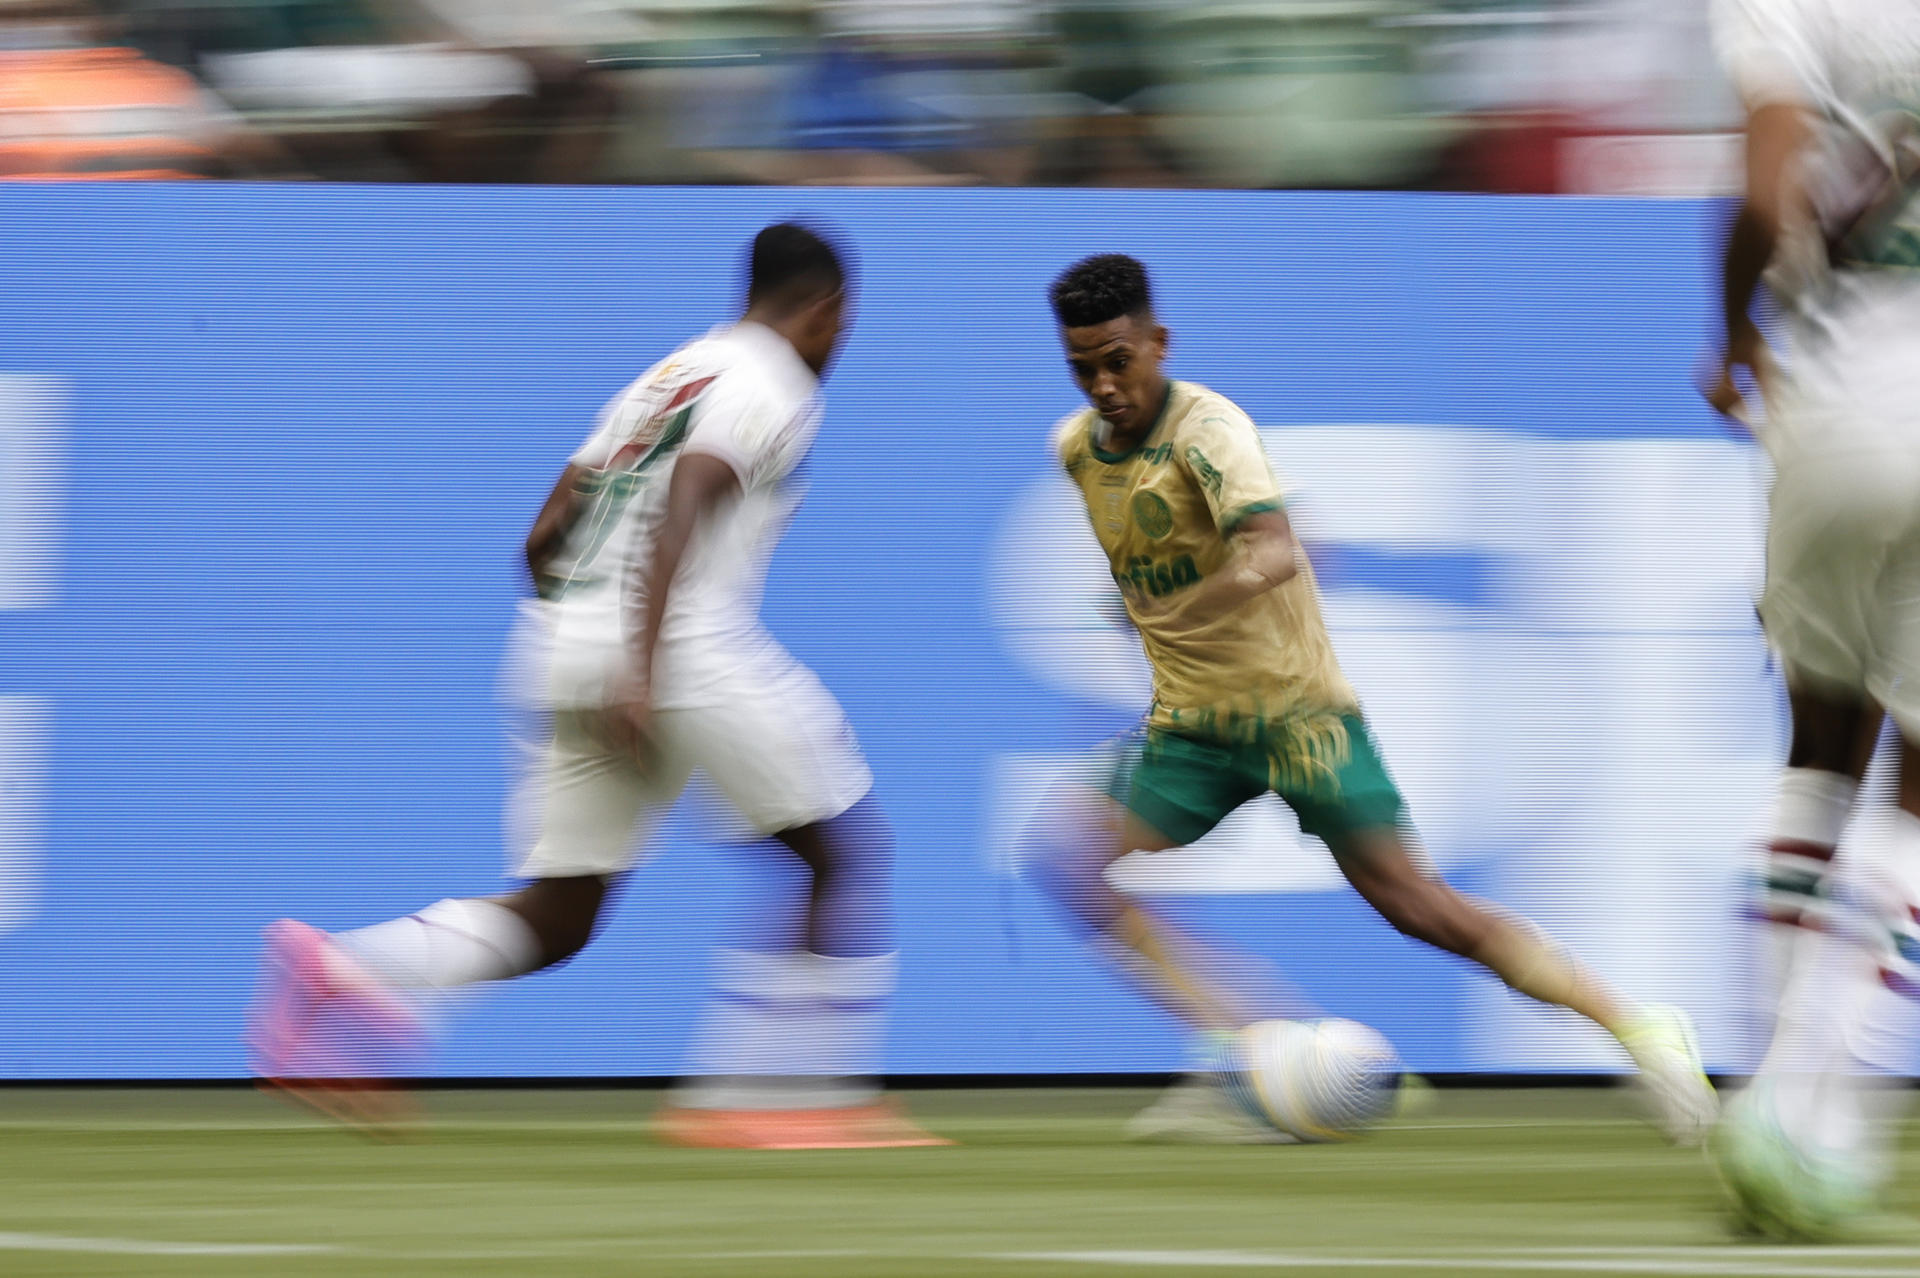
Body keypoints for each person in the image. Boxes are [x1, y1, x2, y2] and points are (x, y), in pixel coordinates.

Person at [247, 222, 943, 1150]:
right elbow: (694, 493)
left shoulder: (670, 375)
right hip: (677, 653)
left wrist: (584, 638)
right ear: (827, 310)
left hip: (559, 645)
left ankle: (341, 966)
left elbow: (542, 537)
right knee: (840, 853)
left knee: (559, 914)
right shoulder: (775, 382)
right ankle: (774, 1095)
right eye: (842, 326)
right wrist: (640, 667)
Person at [1028, 253, 1718, 1145]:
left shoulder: (1210, 430)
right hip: (1193, 729)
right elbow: (1142, 568)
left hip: (1299, 721)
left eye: (1119, 358)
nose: (1105, 384)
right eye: (1083, 366)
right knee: (1072, 860)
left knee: (1423, 910)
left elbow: (1279, 550)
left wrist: (1179, 604)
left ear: (1159, 343)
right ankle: (1245, 1051)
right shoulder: (1077, 449)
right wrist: (1132, 615)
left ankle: (1642, 1028)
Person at [1704, 0, 1920, 1233]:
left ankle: (1765, 1095)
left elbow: (1756, 197)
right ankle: (1816, 1107)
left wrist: (1733, 331)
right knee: (1918, 791)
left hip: (1837, 399)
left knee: (1818, 755)